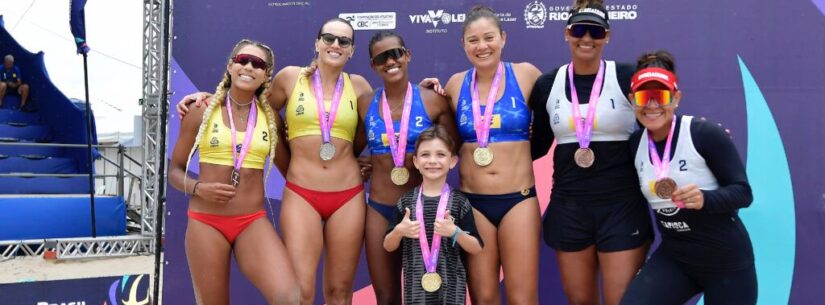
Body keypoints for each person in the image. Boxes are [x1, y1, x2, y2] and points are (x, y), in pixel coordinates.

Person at [176, 18, 373, 305]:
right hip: (302, 192)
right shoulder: (290, 78)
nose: (335, 45)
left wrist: (362, 159)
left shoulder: (359, 85)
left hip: (348, 194)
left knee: (340, 291)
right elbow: (247, 103)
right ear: (317, 43)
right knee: (301, 292)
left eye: (344, 41)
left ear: (352, 50)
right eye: (329, 38)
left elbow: (382, 126)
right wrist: (208, 97)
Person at [529, 1, 653, 304]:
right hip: (570, 207)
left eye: (595, 31)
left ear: (607, 36)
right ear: (567, 33)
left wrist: (697, 136)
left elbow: (659, 124)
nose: (587, 38)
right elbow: (537, 146)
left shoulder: (627, 77)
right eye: (579, 30)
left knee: (620, 300)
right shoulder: (547, 84)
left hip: (621, 206)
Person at [168, 39, 299, 305]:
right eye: (242, 60)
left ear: (265, 75)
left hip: (251, 221)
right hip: (206, 222)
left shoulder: (270, 117)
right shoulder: (200, 109)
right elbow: (174, 171)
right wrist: (197, 187)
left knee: (288, 297)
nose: (249, 67)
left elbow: (293, 170)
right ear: (230, 66)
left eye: (258, 64)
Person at [619, 50, 756, 305]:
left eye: (660, 96)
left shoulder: (704, 134)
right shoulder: (635, 143)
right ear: (632, 100)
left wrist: (705, 199)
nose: (651, 105)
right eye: (643, 96)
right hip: (676, 259)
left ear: (676, 98)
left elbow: (743, 193)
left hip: (725, 262)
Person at [439, 5, 543, 305]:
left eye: (488, 38)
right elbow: (443, 135)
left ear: (503, 38)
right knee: (483, 298)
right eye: (473, 40)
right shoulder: (456, 84)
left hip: (519, 200)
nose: (482, 46)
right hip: (474, 204)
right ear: (463, 44)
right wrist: (425, 90)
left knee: (522, 298)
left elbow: (556, 120)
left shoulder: (526, 75)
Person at [358, 30, 459, 305]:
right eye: (382, 57)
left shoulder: (432, 101)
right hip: (380, 209)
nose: (390, 61)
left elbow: (456, 148)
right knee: (387, 296)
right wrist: (361, 163)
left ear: (407, 55)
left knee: (431, 294)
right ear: (373, 66)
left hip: (423, 209)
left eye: (396, 53)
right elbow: (348, 148)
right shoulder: (365, 103)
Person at [383, 124, 483, 305]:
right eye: (425, 155)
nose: (432, 161)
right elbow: (388, 245)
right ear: (415, 162)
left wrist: (454, 232)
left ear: (453, 161)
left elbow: (476, 247)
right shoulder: (406, 202)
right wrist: (399, 231)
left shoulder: (460, 202)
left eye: (441, 154)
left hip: (451, 293)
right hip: (416, 294)